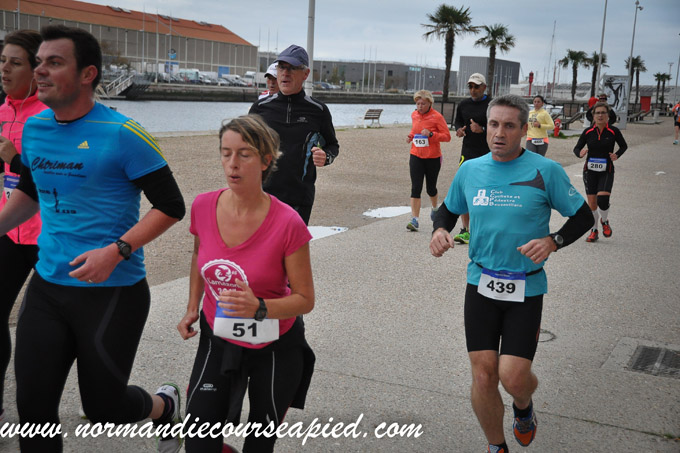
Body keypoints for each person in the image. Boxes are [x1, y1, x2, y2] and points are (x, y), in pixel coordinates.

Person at [0, 25, 185, 451]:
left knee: (105, 407)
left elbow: (171, 205)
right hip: (48, 285)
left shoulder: (123, 133)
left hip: (111, 290)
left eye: (54, 63)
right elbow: (30, 192)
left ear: (88, 74)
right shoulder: (36, 128)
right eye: (39, 62)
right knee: (33, 411)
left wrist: (117, 251)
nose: (40, 71)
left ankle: (165, 407)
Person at [430, 94, 593, 453]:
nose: (499, 133)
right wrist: (439, 230)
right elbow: (447, 210)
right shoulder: (471, 170)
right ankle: (496, 446)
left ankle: (523, 405)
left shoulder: (545, 170)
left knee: (513, 377)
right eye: (493, 124)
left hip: (526, 286)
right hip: (481, 283)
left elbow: (583, 216)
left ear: (523, 130)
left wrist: (554, 241)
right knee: (483, 374)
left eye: (508, 126)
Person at [177, 114, 315, 453]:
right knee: (198, 443)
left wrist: (260, 307)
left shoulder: (288, 222)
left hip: (276, 344)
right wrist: (193, 307)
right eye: (226, 153)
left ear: (266, 160)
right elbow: (198, 256)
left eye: (244, 154)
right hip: (218, 335)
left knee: (259, 444)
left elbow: (305, 299)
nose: (232, 164)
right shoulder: (203, 206)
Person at [0, 29, 47, 424]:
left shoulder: (50, 115)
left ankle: (98, 393)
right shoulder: (1, 112)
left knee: (50, 328)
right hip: (9, 231)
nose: (4, 69)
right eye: (2, 61)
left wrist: (15, 159)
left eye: (15, 63)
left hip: (51, 236)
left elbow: (58, 178)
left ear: (36, 70)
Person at [249, 44, 339, 225]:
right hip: (263, 196)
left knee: (291, 244)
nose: (285, 73)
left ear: (305, 74)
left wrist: (326, 157)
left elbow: (332, 145)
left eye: (292, 68)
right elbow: (244, 147)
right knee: (267, 244)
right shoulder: (260, 108)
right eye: (282, 67)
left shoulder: (318, 111)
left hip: (300, 199)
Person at [573, 101, 628, 243]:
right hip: (589, 171)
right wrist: (580, 153)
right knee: (592, 204)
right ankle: (594, 230)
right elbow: (576, 148)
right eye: (597, 113)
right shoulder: (588, 132)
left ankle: (604, 221)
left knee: (602, 200)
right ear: (593, 116)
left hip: (606, 170)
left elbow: (624, 146)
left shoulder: (613, 131)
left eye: (603, 112)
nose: (600, 115)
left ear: (608, 115)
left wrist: (616, 155)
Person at [452, 73, 490, 244]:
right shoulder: (463, 104)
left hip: (488, 153)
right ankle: (465, 229)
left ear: (484, 87)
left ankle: (483, 229)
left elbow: (500, 127)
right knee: (464, 188)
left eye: (476, 86)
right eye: (470, 87)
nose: (473, 90)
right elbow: (458, 122)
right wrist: (459, 130)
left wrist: (482, 129)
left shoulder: (492, 105)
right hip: (467, 152)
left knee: (485, 191)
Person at [405, 90, 451, 231]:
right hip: (416, 155)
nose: (420, 106)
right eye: (418, 103)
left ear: (430, 103)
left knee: (431, 188)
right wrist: (410, 136)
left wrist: (431, 134)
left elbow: (447, 136)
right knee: (415, 188)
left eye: (423, 104)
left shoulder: (437, 117)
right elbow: (415, 131)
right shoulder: (414, 115)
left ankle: (435, 208)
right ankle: (414, 220)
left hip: (432, 157)